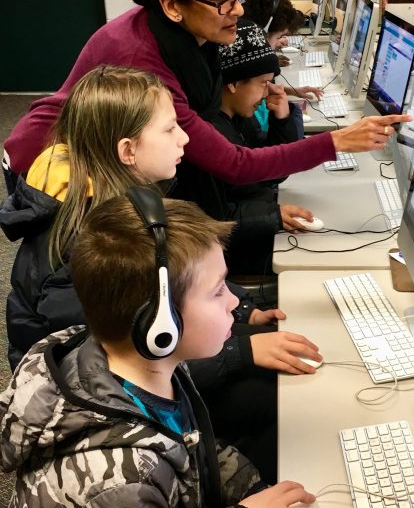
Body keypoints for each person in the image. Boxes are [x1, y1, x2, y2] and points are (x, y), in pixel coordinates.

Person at [0, 189, 318, 508]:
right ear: (160, 326)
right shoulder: (118, 478)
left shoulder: (129, 366)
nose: (236, 301)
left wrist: (261, 490)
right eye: (218, 292)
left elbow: (191, 448)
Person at [0, 66, 323, 482]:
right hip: (97, 399)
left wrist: (242, 313)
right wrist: (240, 352)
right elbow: (120, 361)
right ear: (128, 151)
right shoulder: (99, 244)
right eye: (170, 129)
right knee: (268, 392)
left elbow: (174, 287)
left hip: (140, 354)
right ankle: (234, 498)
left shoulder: (125, 204)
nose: (185, 138)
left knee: (270, 352)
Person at [4, 0, 406, 191]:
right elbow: (234, 164)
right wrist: (337, 141)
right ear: (172, 5)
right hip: (52, 168)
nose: (237, 9)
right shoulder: (142, 64)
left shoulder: (187, 25)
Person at [202, 20, 316, 274]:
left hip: (251, 231)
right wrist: (272, 216)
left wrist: (282, 119)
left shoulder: (238, 118)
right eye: (263, 83)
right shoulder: (210, 135)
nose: (267, 93)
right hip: (232, 256)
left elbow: (269, 170)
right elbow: (211, 218)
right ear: (232, 83)